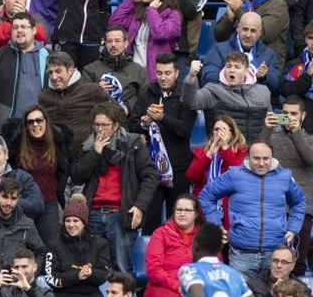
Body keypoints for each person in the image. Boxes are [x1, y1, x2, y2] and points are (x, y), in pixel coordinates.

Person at [68, 102, 158, 274]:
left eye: (104, 125)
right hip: (93, 213)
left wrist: (139, 206)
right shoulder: (87, 145)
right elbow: (78, 175)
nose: (99, 129)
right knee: (92, 269)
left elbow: (150, 176)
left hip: (121, 215)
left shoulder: (133, 143)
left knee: (121, 269)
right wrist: (95, 153)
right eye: (96, 125)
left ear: (116, 125)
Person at [199, 140, 305, 279]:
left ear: (272, 157)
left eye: (266, 158)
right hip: (241, 255)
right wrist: (215, 225)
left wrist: (292, 228)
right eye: (256, 158)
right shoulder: (234, 175)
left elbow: (299, 202)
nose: (261, 163)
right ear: (248, 157)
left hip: (274, 256)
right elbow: (206, 196)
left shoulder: (284, 177)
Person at [127, 52, 196, 234]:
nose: (163, 77)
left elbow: (185, 130)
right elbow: (132, 125)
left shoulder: (186, 95)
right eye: (159, 73)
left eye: (167, 73)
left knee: (179, 221)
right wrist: (144, 123)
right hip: (151, 167)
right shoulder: (147, 91)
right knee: (150, 219)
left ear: (177, 73)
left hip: (178, 167)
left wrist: (163, 118)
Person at [3, 104, 74, 246]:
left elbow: (65, 169)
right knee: (20, 248)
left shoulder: (57, 143)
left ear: (46, 122)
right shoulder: (16, 145)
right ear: (26, 126)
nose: (35, 125)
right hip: (23, 203)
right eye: (31, 122)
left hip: (49, 204)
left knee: (50, 249)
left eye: (39, 120)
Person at [259, 97, 313, 276]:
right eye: (285, 113)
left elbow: (309, 158)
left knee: (297, 260)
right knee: (272, 261)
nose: (289, 117)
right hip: (274, 207)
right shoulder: (272, 138)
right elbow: (255, 156)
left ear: (303, 116)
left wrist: (296, 132)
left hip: (303, 209)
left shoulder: (310, 139)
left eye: (294, 114)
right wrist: (266, 129)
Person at [144, 194, 201, 297]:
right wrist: (178, 286)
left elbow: (213, 265)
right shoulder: (161, 233)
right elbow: (153, 270)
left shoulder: (204, 236)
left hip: (195, 287)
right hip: (163, 287)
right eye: (178, 209)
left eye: (187, 210)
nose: (182, 214)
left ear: (196, 214)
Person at [108, 0, 182, 82]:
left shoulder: (173, 15)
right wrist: (132, 0)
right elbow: (114, 22)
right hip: (133, 73)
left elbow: (160, 33)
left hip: (156, 76)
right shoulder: (139, 13)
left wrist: (152, 10)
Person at [216, 0, 290, 67]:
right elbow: (219, 36)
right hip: (234, 63)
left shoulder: (278, 5)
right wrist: (229, 19)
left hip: (265, 65)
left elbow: (262, 35)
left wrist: (238, 10)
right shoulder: (242, 2)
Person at [38, 51, 112, 151]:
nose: (54, 77)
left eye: (58, 71)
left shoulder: (92, 90)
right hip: (55, 155)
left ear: (70, 70)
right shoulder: (44, 97)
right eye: (51, 72)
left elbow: (114, 113)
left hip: (86, 153)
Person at [185, 115, 248, 229]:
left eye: (223, 130)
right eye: (216, 129)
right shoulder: (202, 151)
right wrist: (208, 155)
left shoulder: (240, 151)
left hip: (229, 205)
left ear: (232, 133)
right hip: (203, 204)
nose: (219, 133)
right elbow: (191, 176)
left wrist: (225, 148)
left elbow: (236, 175)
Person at [201, 11, 280, 96]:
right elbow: (207, 77)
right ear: (238, 28)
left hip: (255, 104)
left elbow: (275, 86)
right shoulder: (219, 49)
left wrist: (265, 77)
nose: (248, 35)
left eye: (253, 31)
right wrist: (231, 75)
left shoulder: (269, 54)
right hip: (224, 101)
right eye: (245, 29)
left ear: (259, 33)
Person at [80, 26, 149, 113]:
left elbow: (145, 98)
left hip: (128, 121)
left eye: (117, 41)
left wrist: (128, 107)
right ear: (105, 43)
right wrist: (95, 89)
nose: (113, 45)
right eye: (109, 41)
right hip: (98, 120)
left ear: (126, 43)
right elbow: (81, 97)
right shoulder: (90, 69)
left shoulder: (138, 70)